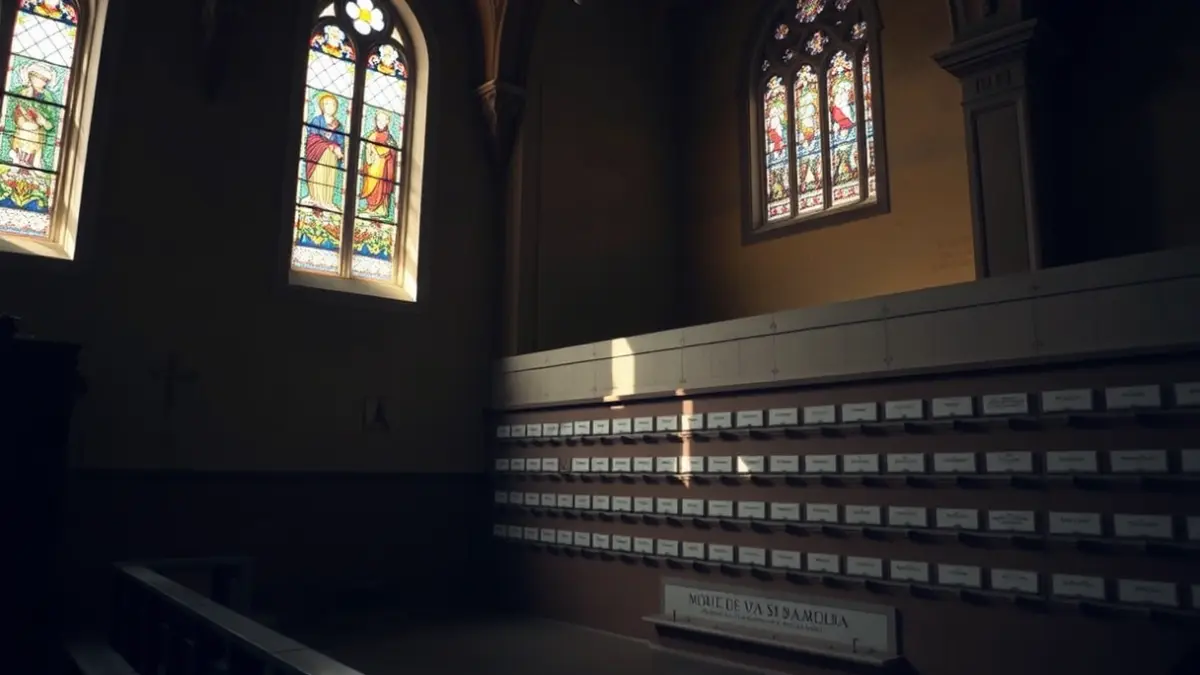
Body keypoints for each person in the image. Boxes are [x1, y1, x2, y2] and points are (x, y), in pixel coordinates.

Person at [9, 64, 57, 169]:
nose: (44, 82)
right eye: (42, 79)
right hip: (23, 126)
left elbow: (51, 120)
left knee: (34, 140)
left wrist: (43, 121)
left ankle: (32, 166)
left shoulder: (48, 97)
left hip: (38, 131)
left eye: (46, 80)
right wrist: (25, 114)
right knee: (25, 132)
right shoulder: (23, 91)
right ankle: (17, 160)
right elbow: (18, 108)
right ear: (32, 77)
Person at [303, 93, 345, 211]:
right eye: (327, 104)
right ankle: (316, 198)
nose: (330, 107)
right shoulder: (317, 120)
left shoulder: (339, 125)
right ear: (322, 106)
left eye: (333, 104)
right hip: (317, 154)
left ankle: (326, 200)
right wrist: (330, 145)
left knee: (329, 176)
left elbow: (340, 142)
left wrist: (336, 148)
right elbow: (313, 138)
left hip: (331, 157)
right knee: (318, 174)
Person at [358, 110, 397, 215]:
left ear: (388, 121)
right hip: (371, 166)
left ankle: (381, 210)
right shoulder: (371, 134)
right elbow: (366, 150)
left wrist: (380, 151)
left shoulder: (390, 138)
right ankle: (370, 207)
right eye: (378, 119)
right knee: (371, 183)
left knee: (381, 185)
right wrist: (370, 150)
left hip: (383, 168)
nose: (380, 122)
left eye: (383, 119)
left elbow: (392, 151)